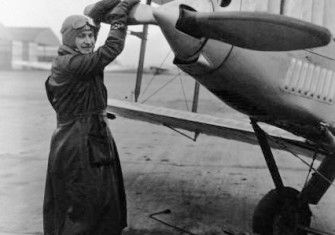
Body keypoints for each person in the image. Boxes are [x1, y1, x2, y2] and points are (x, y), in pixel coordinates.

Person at [43, 0, 139, 234]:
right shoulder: (73, 64)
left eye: (90, 36)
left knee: (96, 202)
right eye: (81, 37)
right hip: (81, 144)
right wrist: (120, 14)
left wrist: (101, 13)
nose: (88, 41)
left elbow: (93, 33)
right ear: (69, 39)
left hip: (84, 138)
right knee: (86, 205)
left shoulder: (67, 60)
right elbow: (112, 48)